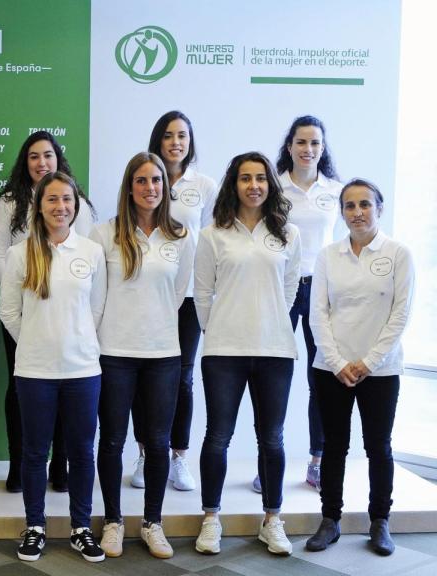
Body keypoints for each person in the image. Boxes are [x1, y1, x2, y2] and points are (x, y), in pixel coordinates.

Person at [193, 152, 301, 557]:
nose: (253, 185)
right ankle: (210, 519)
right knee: (218, 437)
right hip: (224, 351)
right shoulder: (213, 234)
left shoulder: (288, 233)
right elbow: (202, 293)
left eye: (260, 178)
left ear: (270, 184)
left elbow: (290, 288)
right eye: (245, 178)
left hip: (275, 350)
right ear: (233, 184)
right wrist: (219, 328)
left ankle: (272, 520)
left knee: (271, 438)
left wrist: (268, 321)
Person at [0, 171, 107, 564]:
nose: (61, 207)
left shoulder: (91, 252)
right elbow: (8, 312)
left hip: (82, 371)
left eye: (67, 200)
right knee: (34, 453)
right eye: (52, 200)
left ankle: (81, 527)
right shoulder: (20, 254)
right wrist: (35, 340)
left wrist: (77, 341)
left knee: (82, 452)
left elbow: (97, 309)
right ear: (39, 206)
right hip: (35, 372)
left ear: (75, 205)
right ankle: (35, 526)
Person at [92, 152, 194, 560]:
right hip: (114, 352)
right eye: (141, 180)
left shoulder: (181, 235)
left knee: (158, 441)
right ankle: (113, 521)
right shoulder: (105, 234)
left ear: (165, 187)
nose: (150, 188)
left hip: (162, 354)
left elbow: (178, 294)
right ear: (129, 187)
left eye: (156, 181)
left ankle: (153, 522)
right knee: (112, 440)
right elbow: (97, 297)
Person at [305, 179, 414, 556]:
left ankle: (380, 521)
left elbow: (400, 315)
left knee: (378, 447)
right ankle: (329, 520)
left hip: (380, 371)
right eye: (349, 206)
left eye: (365, 204)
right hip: (331, 369)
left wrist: (368, 363)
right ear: (341, 212)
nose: (357, 212)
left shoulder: (398, 253)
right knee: (333, 445)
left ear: (379, 209)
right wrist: (337, 363)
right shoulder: (328, 255)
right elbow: (317, 314)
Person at [0, 130, 97, 494]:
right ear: (25, 162)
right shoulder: (9, 202)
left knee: (68, 392)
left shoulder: (77, 201)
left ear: (57, 159)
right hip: (23, 314)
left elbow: (87, 258)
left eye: (48, 155)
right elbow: (0, 254)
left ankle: (61, 466)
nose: (41, 162)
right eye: (34, 156)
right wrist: (24, 300)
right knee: (21, 391)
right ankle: (19, 464)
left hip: (70, 322)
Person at [131, 111, 217, 492]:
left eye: (182, 135)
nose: (176, 142)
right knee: (140, 374)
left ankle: (178, 456)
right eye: (168, 135)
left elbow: (214, 240)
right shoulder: (145, 176)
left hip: (189, 296)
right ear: (158, 139)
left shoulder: (205, 185)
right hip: (147, 292)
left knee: (181, 377)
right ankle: (145, 452)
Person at [270, 115, 344, 492]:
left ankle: (317, 461)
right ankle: (270, 461)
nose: (308, 149)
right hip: (282, 286)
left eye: (315, 142)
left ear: (323, 148)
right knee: (274, 376)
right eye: (301, 142)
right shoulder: (274, 187)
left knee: (321, 378)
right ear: (290, 146)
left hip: (322, 290)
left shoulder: (336, 190)